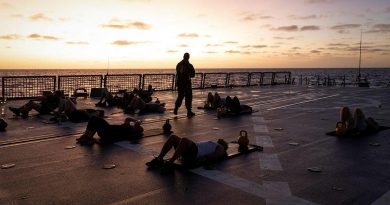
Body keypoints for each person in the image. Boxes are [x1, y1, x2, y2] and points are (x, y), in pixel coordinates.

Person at [146, 135, 228, 172]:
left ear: (224, 145)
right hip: (192, 150)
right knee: (173, 137)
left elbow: (214, 156)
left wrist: (203, 160)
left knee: (184, 140)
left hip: (195, 154)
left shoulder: (221, 147)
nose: (221, 139)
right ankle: (159, 159)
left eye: (223, 141)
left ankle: (170, 163)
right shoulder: (214, 144)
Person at [76, 116, 144, 145]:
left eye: (138, 127)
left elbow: (137, 123)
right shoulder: (128, 127)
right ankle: (86, 135)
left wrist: (138, 121)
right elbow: (127, 119)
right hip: (106, 132)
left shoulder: (132, 132)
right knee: (93, 119)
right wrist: (135, 121)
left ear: (137, 130)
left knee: (96, 119)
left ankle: (89, 137)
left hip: (108, 132)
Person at [174, 53, 196, 118]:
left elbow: (178, 74)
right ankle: (189, 111)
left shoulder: (178, 64)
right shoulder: (189, 65)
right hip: (187, 84)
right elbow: (192, 75)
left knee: (180, 97)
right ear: (188, 57)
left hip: (180, 84)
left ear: (183, 56)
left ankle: (176, 108)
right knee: (188, 97)